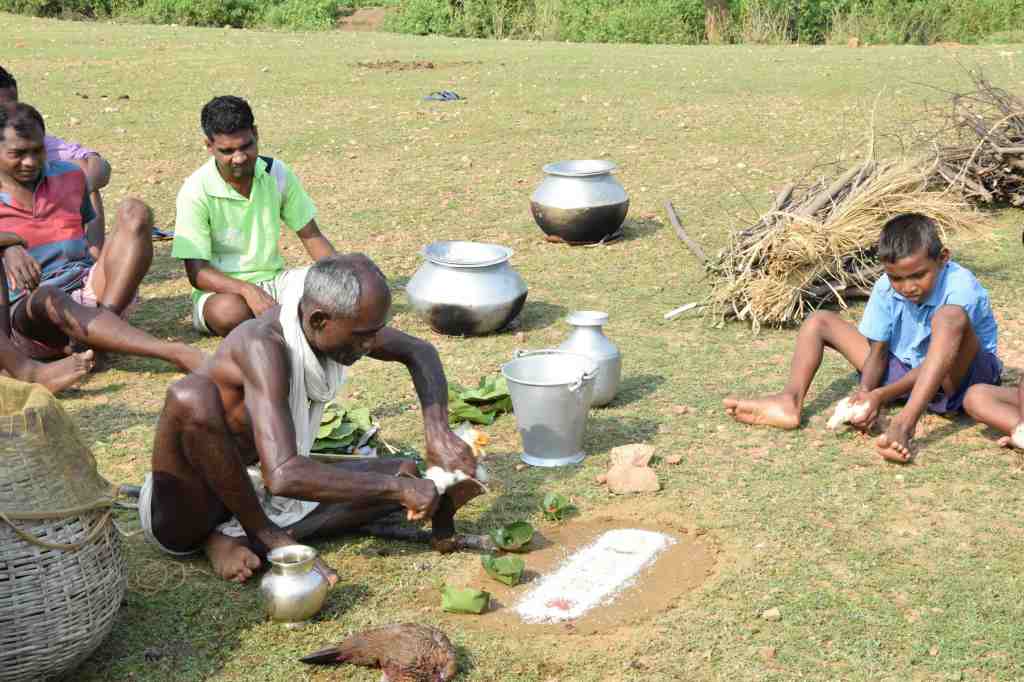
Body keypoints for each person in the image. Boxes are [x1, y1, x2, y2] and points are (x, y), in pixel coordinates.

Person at [140, 254, 479, 583]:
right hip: (191, 507)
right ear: (318, 320)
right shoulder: (263, 346)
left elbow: (420, 351)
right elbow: (284, 475)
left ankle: (239, 537)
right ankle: (259, 536)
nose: (372, 345)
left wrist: (438, 434)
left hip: (258, 485)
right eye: (363, 336)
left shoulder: (332, 325)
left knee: (405, 471)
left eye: (375, 332)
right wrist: (396, 491)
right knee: (191, 395)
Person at [724, 212, 1001, 463]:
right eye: (897, 278)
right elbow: (878, 352)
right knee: (819, 321)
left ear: (943, 258)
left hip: (961, 379)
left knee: (949, 317)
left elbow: (938, 361)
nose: (907, 287)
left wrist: (882, 394)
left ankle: (904, 426)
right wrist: (866, 393)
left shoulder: (961, 289)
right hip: (908, 369)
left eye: (918, 275)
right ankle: (789, 401)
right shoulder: (885, 287)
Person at [0, 102, 204, 372]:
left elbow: (88, 234)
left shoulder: (70, 176)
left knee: (136, 211)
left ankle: (102, 331)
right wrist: (9, 244)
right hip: (30, 315)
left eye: (37, 151)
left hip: (87, 288)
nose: (30, 162)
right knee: (49, 295)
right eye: (18, 153)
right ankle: (172, 352)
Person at [172, 95, 337, 337]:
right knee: (229, 312)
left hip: (276, 282)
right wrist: (246, 290)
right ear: (208, 146)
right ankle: (291, 320)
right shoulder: (195, 190)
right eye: (227, 151)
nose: (239, 158)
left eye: (246, 146)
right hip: (223, 293)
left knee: (336, 286)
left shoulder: (276, 172)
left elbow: (311, 235)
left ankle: (282, 318)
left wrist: (344, 275)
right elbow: (197, 273)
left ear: (256, 134)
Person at [0, 66, 112, 245]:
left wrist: (80, 188)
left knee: (78, 175)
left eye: (14, 107)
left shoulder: (26, 139)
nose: (9, 116)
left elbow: (97, 164)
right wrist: (10, 244)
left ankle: (93, 259)